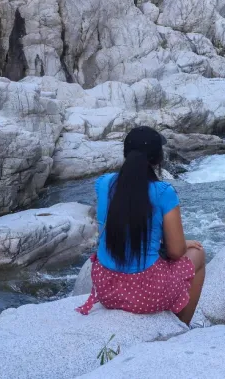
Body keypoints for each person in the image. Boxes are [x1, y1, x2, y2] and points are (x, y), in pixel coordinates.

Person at [76, 126, 206, 325]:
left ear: (125, 154)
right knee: (198, 254)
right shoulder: (163, 192)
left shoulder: (103, 184)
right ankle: (180, 326)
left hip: (106, 287)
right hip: (145, 293)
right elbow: (176, 252)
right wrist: (184, 243)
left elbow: (125, 225)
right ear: (157, 159)